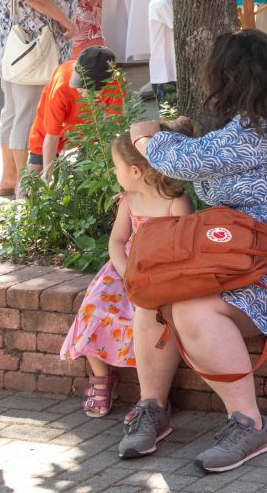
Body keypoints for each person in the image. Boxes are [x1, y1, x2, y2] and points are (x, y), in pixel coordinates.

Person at [122, 30, 267, 472]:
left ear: (231, 78)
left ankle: (248, 423)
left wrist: (145, 137)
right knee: (154, 294)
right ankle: (152, 409)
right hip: (241, 253)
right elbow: (206, 154)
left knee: (192, 310)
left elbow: (189, 162)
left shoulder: (264, 128)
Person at [62, 132, 192, 418]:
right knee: (94, 307)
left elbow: (183, 247)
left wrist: (154, 277)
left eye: (116, 166)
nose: (114, 172)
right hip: (126, 270)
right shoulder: (129, 200)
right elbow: (117, 242)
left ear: (135, 171)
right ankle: (101, 377)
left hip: (159, 273)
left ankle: (153, 393)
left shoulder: (175, 201)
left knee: (148, 319)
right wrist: (125, 272)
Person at [0, 0, 80, 197]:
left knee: (12, 112)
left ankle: (8, 179)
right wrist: (66, 22)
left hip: (9, 47)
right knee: (28, 114)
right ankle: (25, 185)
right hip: (34, 47)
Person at [30, 46, 126, 179]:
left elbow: (109, 131)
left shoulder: (117, 85)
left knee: (92, 175)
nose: (78, 89)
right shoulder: (63, 85)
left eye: (84, 86)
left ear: (104, 84)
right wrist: (47, 179)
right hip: (50, 132)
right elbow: (51, 136)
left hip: (92, 132)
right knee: (33, 178)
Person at [147, 0, 176, 108]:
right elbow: (180, 28)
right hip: (165, 74)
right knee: (170, 120)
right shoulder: (161, 4)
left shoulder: (169, 1)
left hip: (172, 72)